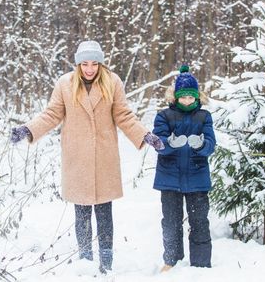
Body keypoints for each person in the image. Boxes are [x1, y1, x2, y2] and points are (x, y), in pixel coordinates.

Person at [10, 40, 164, 274]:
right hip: (77, 157)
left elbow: (123, 115)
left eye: (94, 63)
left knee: (104, 213)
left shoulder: (112, 82)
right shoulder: (65, 84)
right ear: (78, 64)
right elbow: (52, 114)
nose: (90, 69)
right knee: (81, 212)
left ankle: (106, 263)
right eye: (85, 64)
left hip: (104, 156)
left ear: (101, 64)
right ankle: (84, 260)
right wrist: (28, 129)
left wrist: (145, 135)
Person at [151, 65, 216, 272]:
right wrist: (169, 143)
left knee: (199, 222)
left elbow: (211, 144)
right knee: (171, 223)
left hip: (197, 178)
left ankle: (201, 264)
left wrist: (201, 145)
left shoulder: (204, 116)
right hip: (169, 179)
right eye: (183, 97)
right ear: (175, 96)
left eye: (191, 97)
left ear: (197, 97)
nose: (187, 101)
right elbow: (157, 142)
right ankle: (172, 261)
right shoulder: (164, 116)